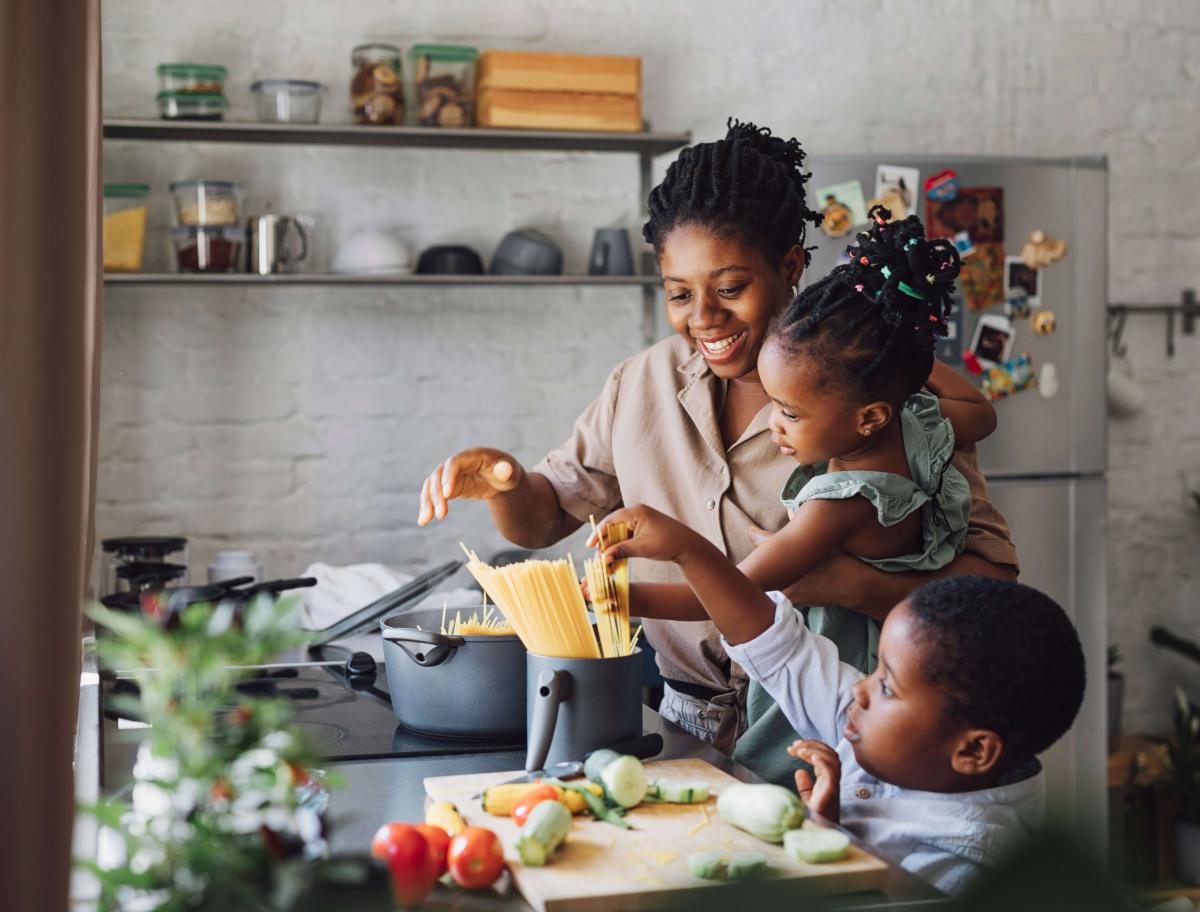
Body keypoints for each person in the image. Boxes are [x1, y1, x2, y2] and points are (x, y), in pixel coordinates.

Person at [415, 119, 1018, 773]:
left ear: (790, 266)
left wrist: (852, 585)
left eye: (730, 289)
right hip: (680, 728)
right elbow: (542, 518)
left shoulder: (874, 399)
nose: (702, 318)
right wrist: (503, 481)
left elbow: (992, 593)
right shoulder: (641, 384)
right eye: (679, 294)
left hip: (839, 731)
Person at [610, 205, 995, 782]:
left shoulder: (837, 505)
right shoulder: (918, 425)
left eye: (788, 412)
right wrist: (892, 342)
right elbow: (983, 412)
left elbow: (735, 596)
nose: (774, 426)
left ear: (867, 416)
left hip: (822, 713)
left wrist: (619, 599)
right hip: (893, 701)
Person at [591, 511, 1085, 897]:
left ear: (974, 752)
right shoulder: (877, 730)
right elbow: (775, 643)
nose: (862, 690)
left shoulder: (971, 865)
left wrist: (836, 842)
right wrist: (686, 550)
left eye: (888, 687)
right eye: (876, 670)